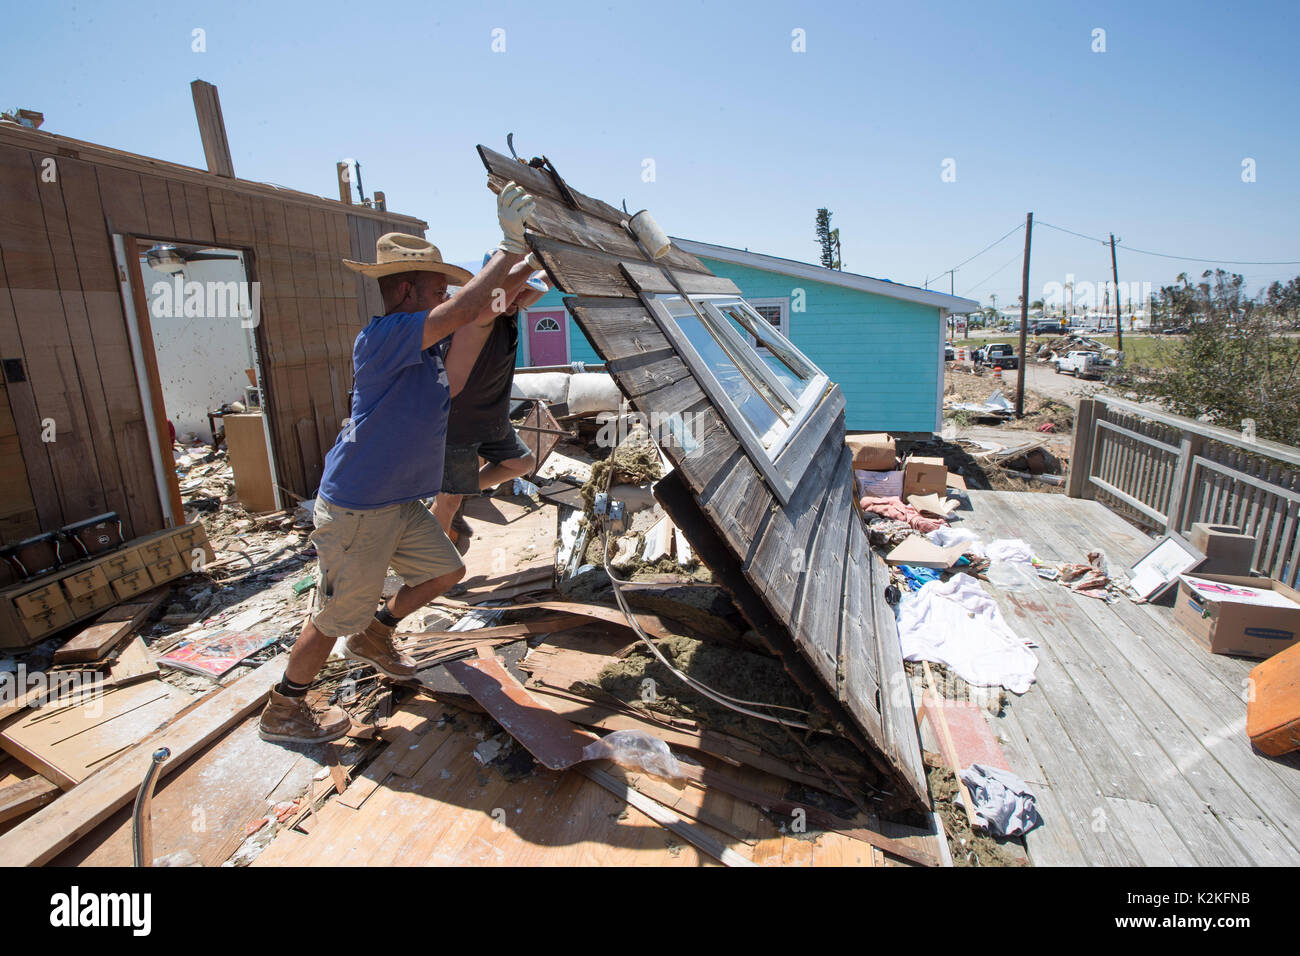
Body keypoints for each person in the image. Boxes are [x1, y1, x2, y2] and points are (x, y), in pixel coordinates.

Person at [258, 182, 538, 744]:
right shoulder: (385, 336)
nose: (446, 299)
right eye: (438, 289)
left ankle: (376, 634)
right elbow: (467, 309)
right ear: (408, 289)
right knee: (336, 615)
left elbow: (480, 314)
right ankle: (284, 708)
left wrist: (525, 269)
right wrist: (506, 249)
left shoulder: (426, 349)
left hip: (394, 503)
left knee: (445, 571)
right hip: (359, 507)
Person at [433, 258, 552, 550]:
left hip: (490, 421)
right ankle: (428, 567)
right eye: (514, 292)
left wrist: (552, 259)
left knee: (522, 463)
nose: (519, 299)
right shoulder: (480, 316)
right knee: (448, 502)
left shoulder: (511, 309)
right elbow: (501, 298)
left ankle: (457, 493)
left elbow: (540, 286)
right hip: (458, 425)